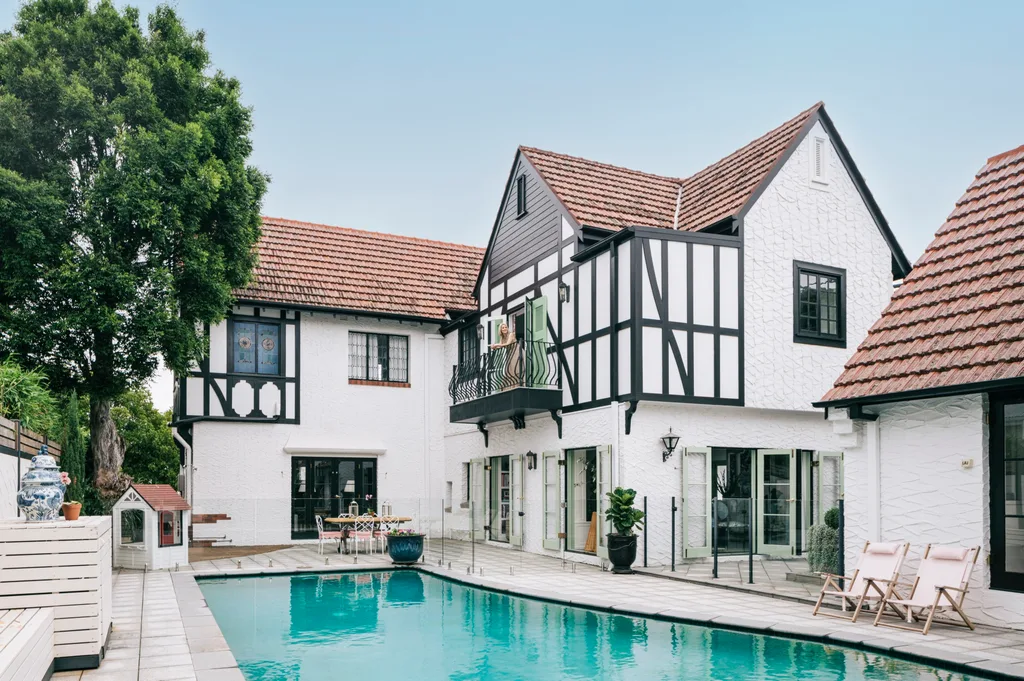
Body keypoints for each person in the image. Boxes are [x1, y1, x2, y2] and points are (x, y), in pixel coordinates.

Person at [489, 322, 521, 388]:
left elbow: (507, 344)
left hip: (516, 351)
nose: (504, 329)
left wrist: (496, 345)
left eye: (505, 327)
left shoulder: (511, 334)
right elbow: (500, 346)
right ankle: (512, 386)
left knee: (516, 368)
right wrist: (494, 347)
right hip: (510, 353)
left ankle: (518, 384)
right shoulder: (502, 338)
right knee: (510, 369)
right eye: (503, 328)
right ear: (500, 330)